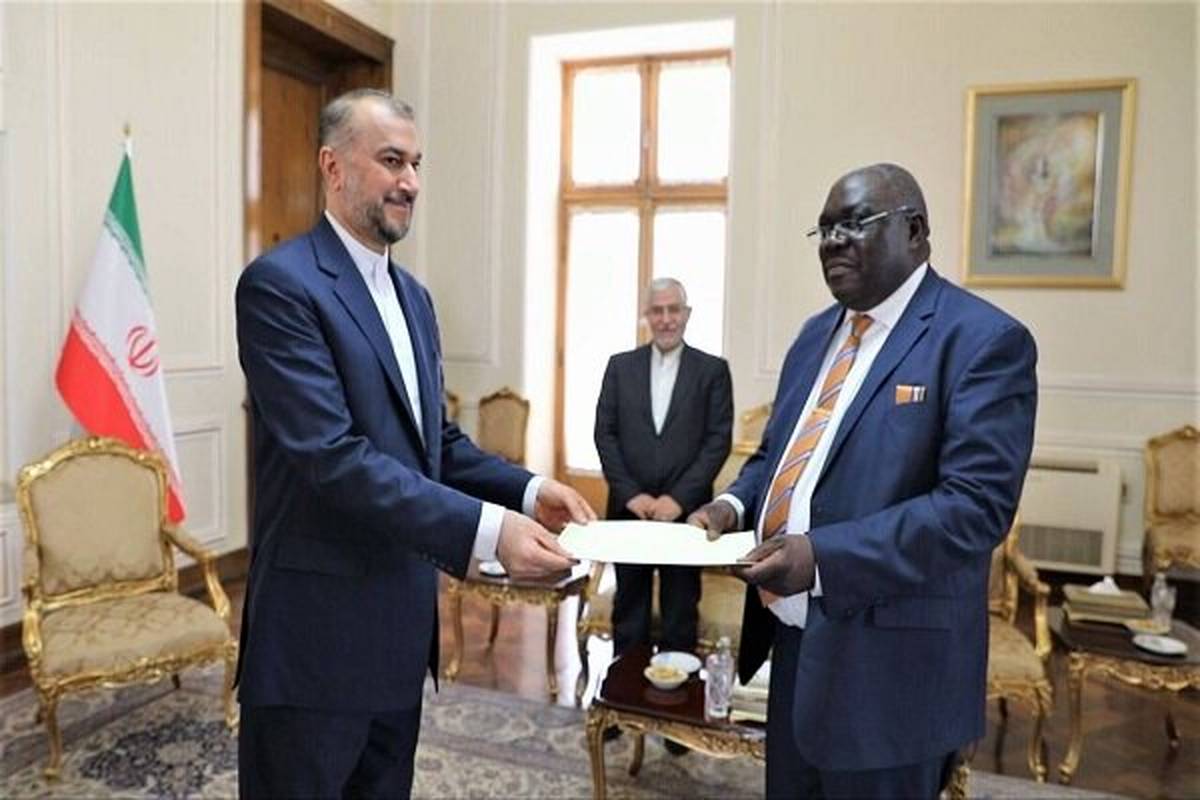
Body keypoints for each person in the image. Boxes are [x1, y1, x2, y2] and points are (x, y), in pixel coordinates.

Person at [234, 89, 595, 799]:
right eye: (392, 161)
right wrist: (491, 531)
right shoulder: (280, 286)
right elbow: (334, 457)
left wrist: (527, 490)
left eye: (417, 164)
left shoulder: (414, 299)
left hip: (399, 638)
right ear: (333, 167)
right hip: (314, 647)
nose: (411, 182)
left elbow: (437, 444)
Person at [690, 163, 1037, 798]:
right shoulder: (814, 336)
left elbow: (974, 508)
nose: (833, 242)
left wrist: (821, 558)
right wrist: (732, 505)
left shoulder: (982, 341)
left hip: (893, 677)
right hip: (795, 646)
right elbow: (775, 456)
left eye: (854, 223)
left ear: (916, 231)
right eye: (824, 229)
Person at [594, 278, 733, 659]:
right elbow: (605, 434)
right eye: (657, 310)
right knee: (629, 611)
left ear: (687, 314)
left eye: (674, 309)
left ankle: (677, 695)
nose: (666, 319)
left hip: (687, 516)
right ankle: (625, 690)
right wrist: (631, 495)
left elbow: (717, 441)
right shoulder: (620, 367)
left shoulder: (713, 370)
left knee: (680, 613)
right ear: (646, 316)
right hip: (629, 511)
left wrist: (678, 499)